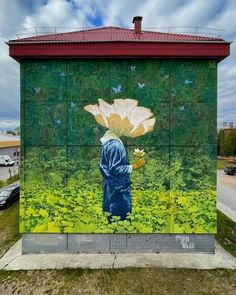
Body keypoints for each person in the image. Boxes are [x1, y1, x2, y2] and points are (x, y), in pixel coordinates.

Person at [99, 130, 145, 221]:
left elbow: (103, 166)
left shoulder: (108, 143)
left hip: (110, 185)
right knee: (122, 219)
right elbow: (115, 168)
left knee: (110, 217)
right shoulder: (116, 146)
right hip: (119, 188)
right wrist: (134, 166)